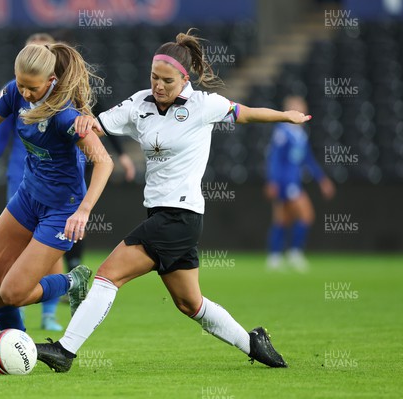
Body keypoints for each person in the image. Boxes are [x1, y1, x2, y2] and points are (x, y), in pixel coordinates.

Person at [35, 29, 312, 372]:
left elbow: (248, 112)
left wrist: (286, 116)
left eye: (167, 80)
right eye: (154, 77)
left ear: (184, 79)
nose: (159, 85)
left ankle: (65, 351)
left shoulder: (203, 105)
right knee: (189, 303)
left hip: (180, 215)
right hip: (162, 213)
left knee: (108, 275)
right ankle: (255, 343)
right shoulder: (139, 104)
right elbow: (96, 126)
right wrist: (70, 115)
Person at [0, 42, 114, 334]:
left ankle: (72, 281)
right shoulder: (13, 91)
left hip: (61, 211)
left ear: (51, 80)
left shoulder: (65, 116)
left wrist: (84, 211)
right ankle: (15, 344)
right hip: (27, 198)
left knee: (13, 293)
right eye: (21, 84)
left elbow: (104, 163)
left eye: (32, 88)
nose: (25, 93)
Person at [0, 33, 65, 331]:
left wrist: (82, 204)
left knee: (35, 264)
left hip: (54, 192)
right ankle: (17, 337)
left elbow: (93, 148)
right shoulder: (16, 93)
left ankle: (49, 313)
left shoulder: (64, 103)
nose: (26, 90)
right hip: (21, 182)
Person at [265, 95, 335, 272]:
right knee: (306, 215)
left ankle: (275, 256)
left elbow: (308, 159)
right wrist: (273, 181)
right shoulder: (282, 131)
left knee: (283, 218)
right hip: (286, 182)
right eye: (296, 108)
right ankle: (293, 253)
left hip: (294, 181)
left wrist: (322, 179)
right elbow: (274, 158)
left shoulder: (301, 133)